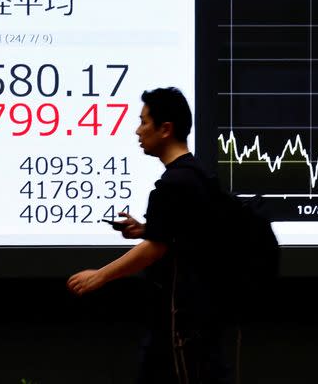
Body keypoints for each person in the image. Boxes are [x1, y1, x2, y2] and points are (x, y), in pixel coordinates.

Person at [67, 87, 234, 384]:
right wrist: (147, 229)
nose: (137, 130)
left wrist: (100, 275)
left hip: (181, 323)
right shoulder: (198, 175)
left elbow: (156, 248)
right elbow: (188, 235)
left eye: (144, 122)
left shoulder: (172, 185)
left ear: (165, 129)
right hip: (201, 320)